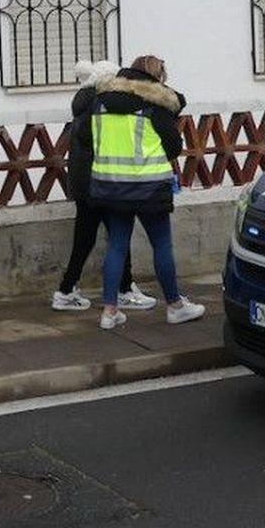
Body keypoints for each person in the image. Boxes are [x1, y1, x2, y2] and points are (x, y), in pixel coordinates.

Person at [90, 55, 206, 331]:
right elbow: (173, 146)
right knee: (161, 244)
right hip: (149, 185)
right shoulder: (154, 103)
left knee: (117, 244)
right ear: (157, 77)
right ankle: (175, 306)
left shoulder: (101, 102)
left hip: (111, 184)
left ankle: (109, 311)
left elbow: (85, 137)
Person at [50, 59, 158, 313]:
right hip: (102, 182)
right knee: (119, 234)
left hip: (83, 182)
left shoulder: (82, 102)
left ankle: (66, 291)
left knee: (84, 239)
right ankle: (124, 290)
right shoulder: (100, 105)